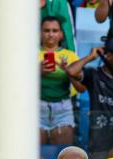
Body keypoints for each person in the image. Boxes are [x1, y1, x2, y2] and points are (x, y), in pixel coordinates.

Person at [40, 16, 82, 145]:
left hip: (63, 109)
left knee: (62, 155)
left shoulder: (71, 56)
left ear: (61, 34)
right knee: (34, 158)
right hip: (36, 107)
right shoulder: (28, 53)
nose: (51, 34)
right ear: (40, 33)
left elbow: (81, 88)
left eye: (55, 30)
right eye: (46, 30)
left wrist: (68, 72)